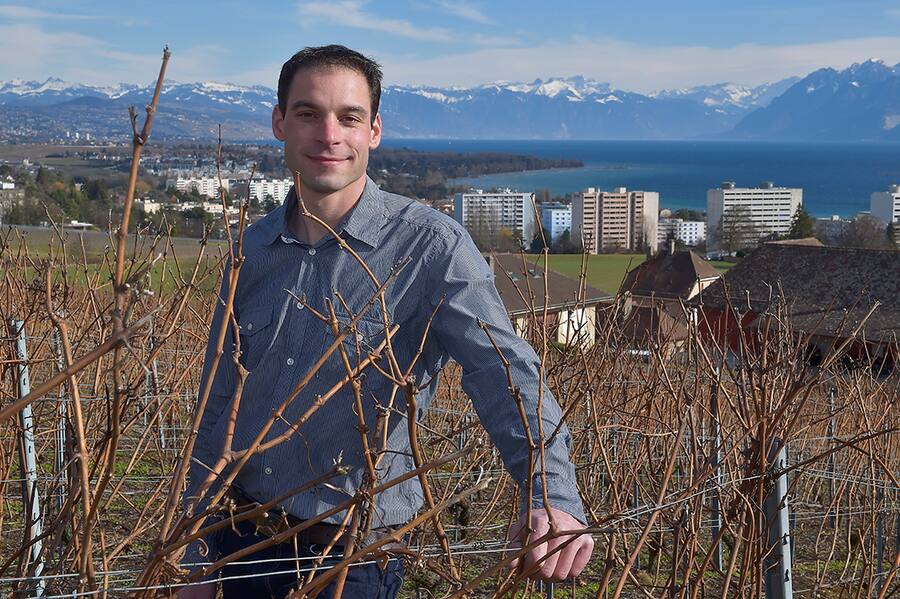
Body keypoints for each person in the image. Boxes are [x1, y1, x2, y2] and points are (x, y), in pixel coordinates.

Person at [179, 44, 593, 599]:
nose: (330, 135)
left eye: (349, 117)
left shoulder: (431, 247)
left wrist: (549, 495)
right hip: (241, 545)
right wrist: (193, 549)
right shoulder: (249, 251)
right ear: (280, 123)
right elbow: (216, 405)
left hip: (353, 563)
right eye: (308, 113)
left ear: (373, 130)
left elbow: (505, 374)